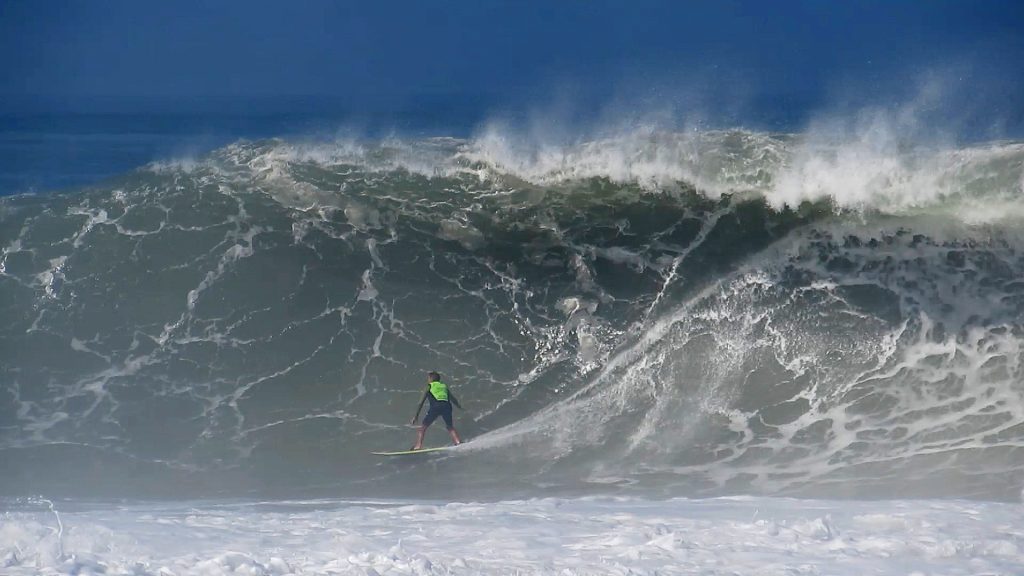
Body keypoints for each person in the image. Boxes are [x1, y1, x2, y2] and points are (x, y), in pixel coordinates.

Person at [411, 371, 463, 449]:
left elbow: (420, 402)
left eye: (428, 378)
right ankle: (458, 442)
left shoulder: (429, 386)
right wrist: (459, 407)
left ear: (431, 378)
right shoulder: (443, 386)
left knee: (423, 428)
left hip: (436, 406)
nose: (427, 380)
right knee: (450, 427)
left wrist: (416, 416)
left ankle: (418, 446)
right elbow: (453, 399)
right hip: (447, 406)